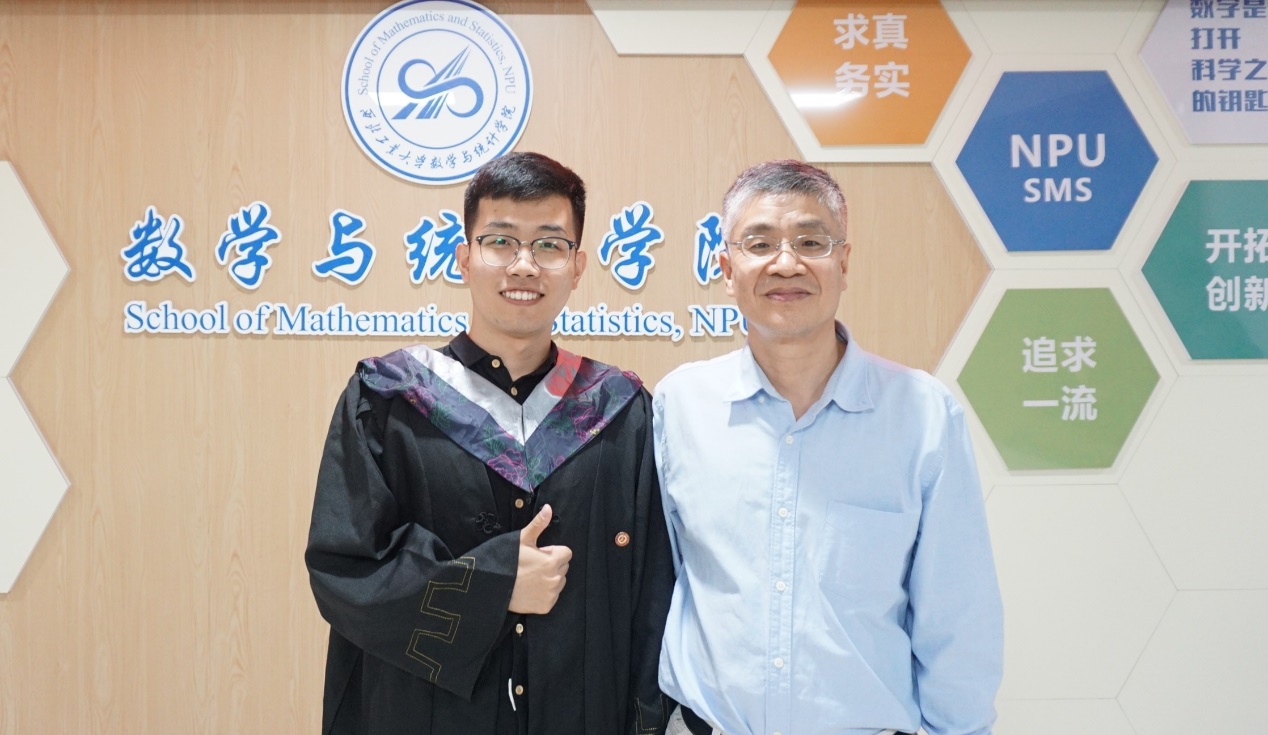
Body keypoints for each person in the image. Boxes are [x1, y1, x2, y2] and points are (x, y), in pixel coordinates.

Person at [306, 152, 674, 735]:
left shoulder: (620, 412)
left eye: (549, 245)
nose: (524, 265)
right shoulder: (388, 400)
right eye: (500, 241)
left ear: (578, 266)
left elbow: (654, 594)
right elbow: (345, 571)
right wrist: (491, 587)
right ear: (464, 258)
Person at [654, 160, 1004, 735]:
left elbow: (957, 616)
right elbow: (660, 582)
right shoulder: (682, 404)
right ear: (727, 269)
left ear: (843, 262)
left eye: (810, 242)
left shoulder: (921, 413)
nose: (786, 263)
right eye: (759, 244)